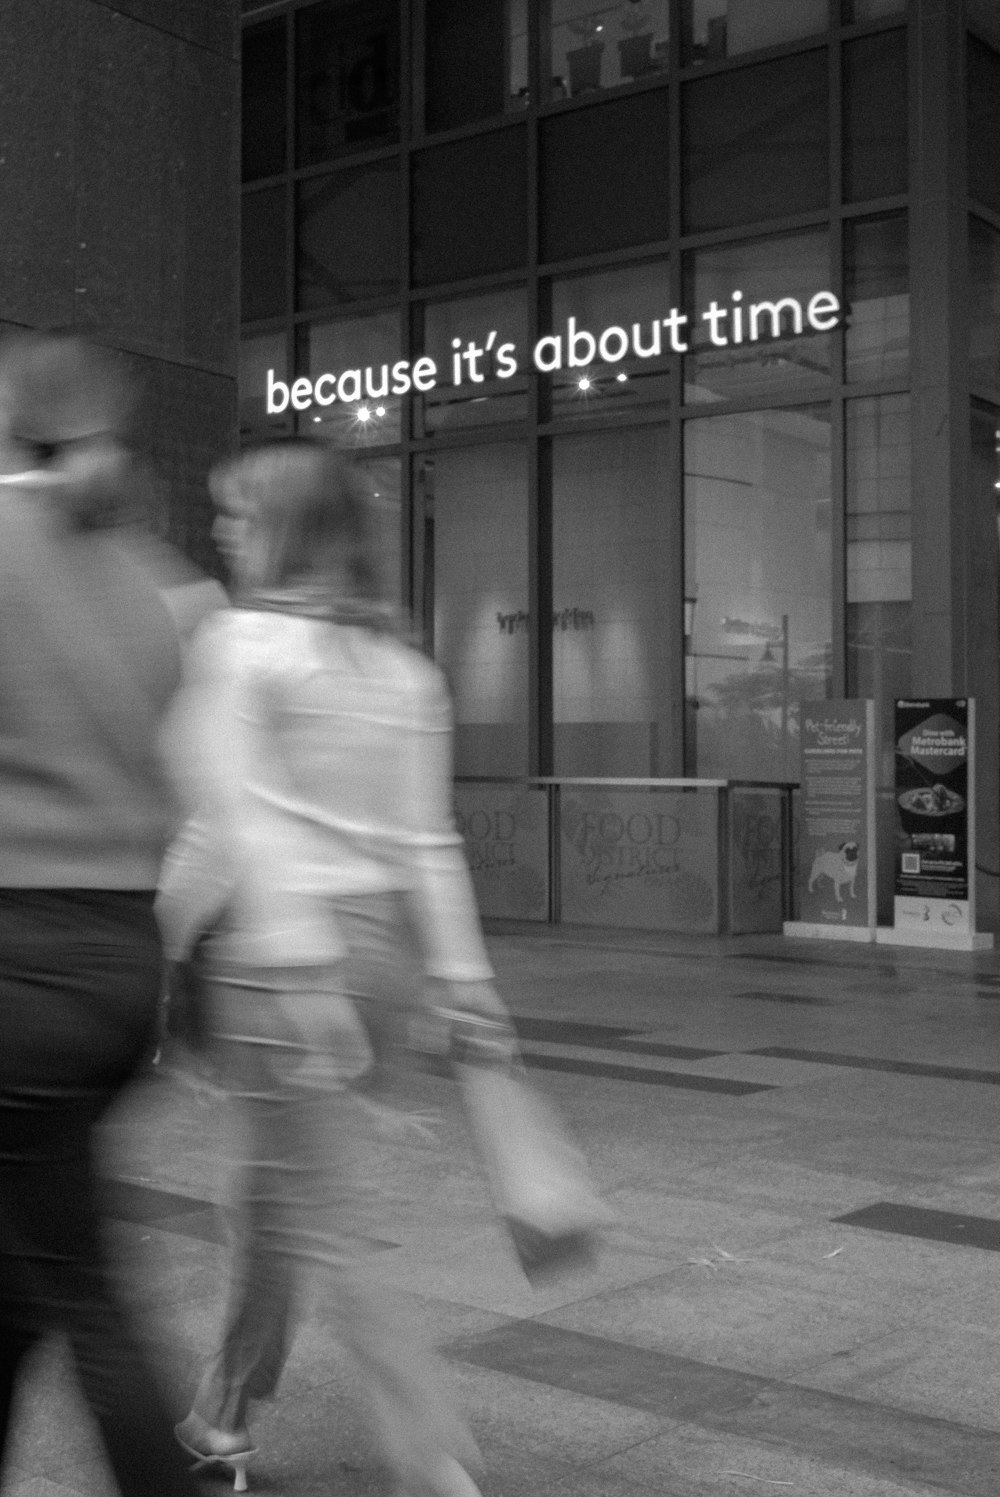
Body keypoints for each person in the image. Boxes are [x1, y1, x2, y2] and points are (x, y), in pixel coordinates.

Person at [156, 437, 514, 1497]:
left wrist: (167, 943)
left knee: (322, 1218)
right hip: (378, 958)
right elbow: (424, 841)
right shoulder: (402, 668)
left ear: (286, 528)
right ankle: (220, 1413)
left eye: (238, 512)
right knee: (269, 1198)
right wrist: (463, 980)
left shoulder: (241, 645)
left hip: (286, 962)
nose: (223, 529)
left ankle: (433, 1452)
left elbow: (234, 831)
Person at [0, 329, 204, 1497]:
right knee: (21, 1281)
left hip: (13, 962)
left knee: (81, 1291)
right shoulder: (151, 577)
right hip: (117, 962)